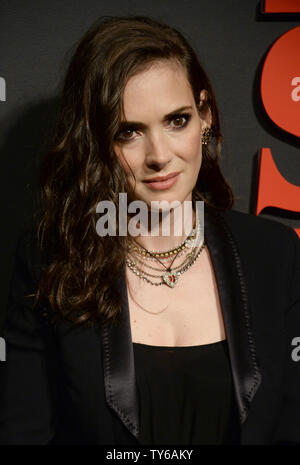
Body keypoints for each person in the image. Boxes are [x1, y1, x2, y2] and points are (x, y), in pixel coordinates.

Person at [0, 15, 299, 446]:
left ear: (205, 117)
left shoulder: (274, 253)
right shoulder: (51, 260)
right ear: (96, 143)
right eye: (129, 132)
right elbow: (22, 433)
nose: (159, 156)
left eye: (177, 120)